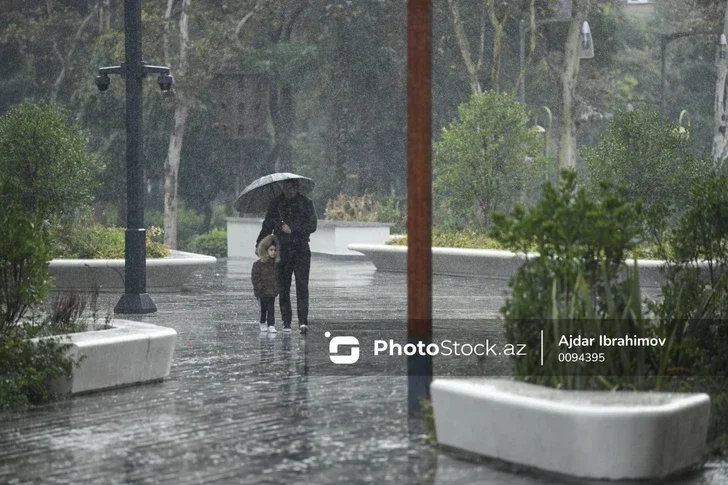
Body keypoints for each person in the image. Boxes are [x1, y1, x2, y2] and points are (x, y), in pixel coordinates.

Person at [256, 179, 317, 334]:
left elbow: (312, 225)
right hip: (282, 250)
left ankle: (303, 321)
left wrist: (294, 229)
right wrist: (259, 244)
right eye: (285, 188)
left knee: (302, 286)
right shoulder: (276, 204)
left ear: (297, 188)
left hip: (301, 249)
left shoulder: (306, 203)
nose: (288, 191)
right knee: (283, 287)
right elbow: (267, 226)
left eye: (291, 188)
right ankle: (286, 322)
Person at [251, 234, 280, 333]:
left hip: (272, 291)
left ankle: (271, 324)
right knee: (263, 309)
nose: (273, 252)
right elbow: (255, 277)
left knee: (271, 309)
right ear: (266, 251)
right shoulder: (258, 265)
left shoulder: (276, 265)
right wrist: (260, 287)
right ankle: (262, 322)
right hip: (262, 292)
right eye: (271, 250)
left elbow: (277, 278)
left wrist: (276, 288)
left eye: (275, 250)